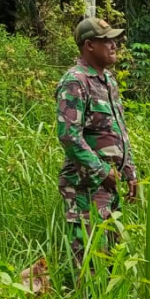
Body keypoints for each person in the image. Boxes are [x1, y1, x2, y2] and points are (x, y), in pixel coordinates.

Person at [56, 17, 138, 274]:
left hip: (111, 187)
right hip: (86, 187)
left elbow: (118, 130)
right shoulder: (75, 81)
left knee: (114, 260)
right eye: (107, 40)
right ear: (89, 45)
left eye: (114, 40)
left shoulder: (108, 80)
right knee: (91, 263)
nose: (114, 45)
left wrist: (130, 172)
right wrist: (102, 171)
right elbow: (69, 135)